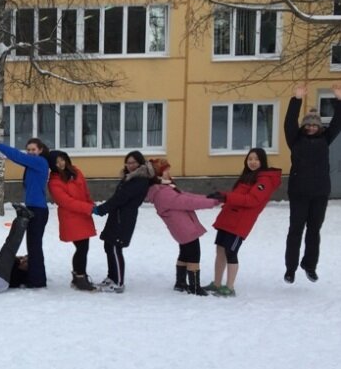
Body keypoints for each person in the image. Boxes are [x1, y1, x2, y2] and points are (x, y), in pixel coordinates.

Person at [203, 148, 281, 297]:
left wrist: (226, 197)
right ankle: (217, 283)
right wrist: (222, 196)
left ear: (262, 161)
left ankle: (230, 287)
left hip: (240, 223)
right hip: (229, 218)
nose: (252, 162)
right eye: (250, 159)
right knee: (220, 250)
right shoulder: (247, 176)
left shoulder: (264, 180)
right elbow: (237, 195)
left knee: (231, 252)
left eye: (256, 159)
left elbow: (251, 200)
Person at [283, 84, 341, 283]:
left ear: (319, 127)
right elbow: (289, 122)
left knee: (314, 230)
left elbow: (338, 121)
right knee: (295, 230)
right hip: (299, 193)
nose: (311, 127)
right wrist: (297, 99)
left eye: (315, 125)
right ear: (304, 126)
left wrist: (338, 100)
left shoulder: (326, 139)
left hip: (319, 193)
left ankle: (309, 265)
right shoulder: (295, 139)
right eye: (308, 124)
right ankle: (290, 269)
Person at [0, 137, 51, 288]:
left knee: (34, 246)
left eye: (33, 150)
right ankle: (36, 277)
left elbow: (17, 156)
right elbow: (18, 158)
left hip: (38, 211)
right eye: (28, 150)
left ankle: (37, 281)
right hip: (33, 208)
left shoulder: (40, 162)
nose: (31, 152)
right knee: (33, 246)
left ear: (40, 150)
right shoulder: (33, 163)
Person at [146, 158, 220, 296]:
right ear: (159, 174)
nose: (169, 173)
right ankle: (195, 287)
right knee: (194, 255)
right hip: (184, 228)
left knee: (185, 253)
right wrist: (212, 202)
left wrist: (208, 198)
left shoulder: (165, 188)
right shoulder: (163, 192)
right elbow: (187, 201)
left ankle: (180, 283)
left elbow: (186, 195)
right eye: (166, 170)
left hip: (180, 227)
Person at [92, 151, 153, 293]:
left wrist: (102, 209)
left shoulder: (140, 180)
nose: (131, 165)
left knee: (115, 247)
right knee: (108, 246)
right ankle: (111, 277)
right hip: (117, 215)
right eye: (128, 162)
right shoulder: (129, 178)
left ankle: (118, 282)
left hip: (124, 218)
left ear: (140, 163)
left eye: (134, 162)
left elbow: (121, 198)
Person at [47, 150, 97, 292]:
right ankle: (80, 278)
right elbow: (66, 202)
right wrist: (88, 208)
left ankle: (79, 276)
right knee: (81, 247)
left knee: (84, 247)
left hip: (83, 214)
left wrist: (91, 204)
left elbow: (85, 191)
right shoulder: (54, 182)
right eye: (56, 162)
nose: (60, 164)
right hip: (70, 217)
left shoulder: (76, 172)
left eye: (62, 160)